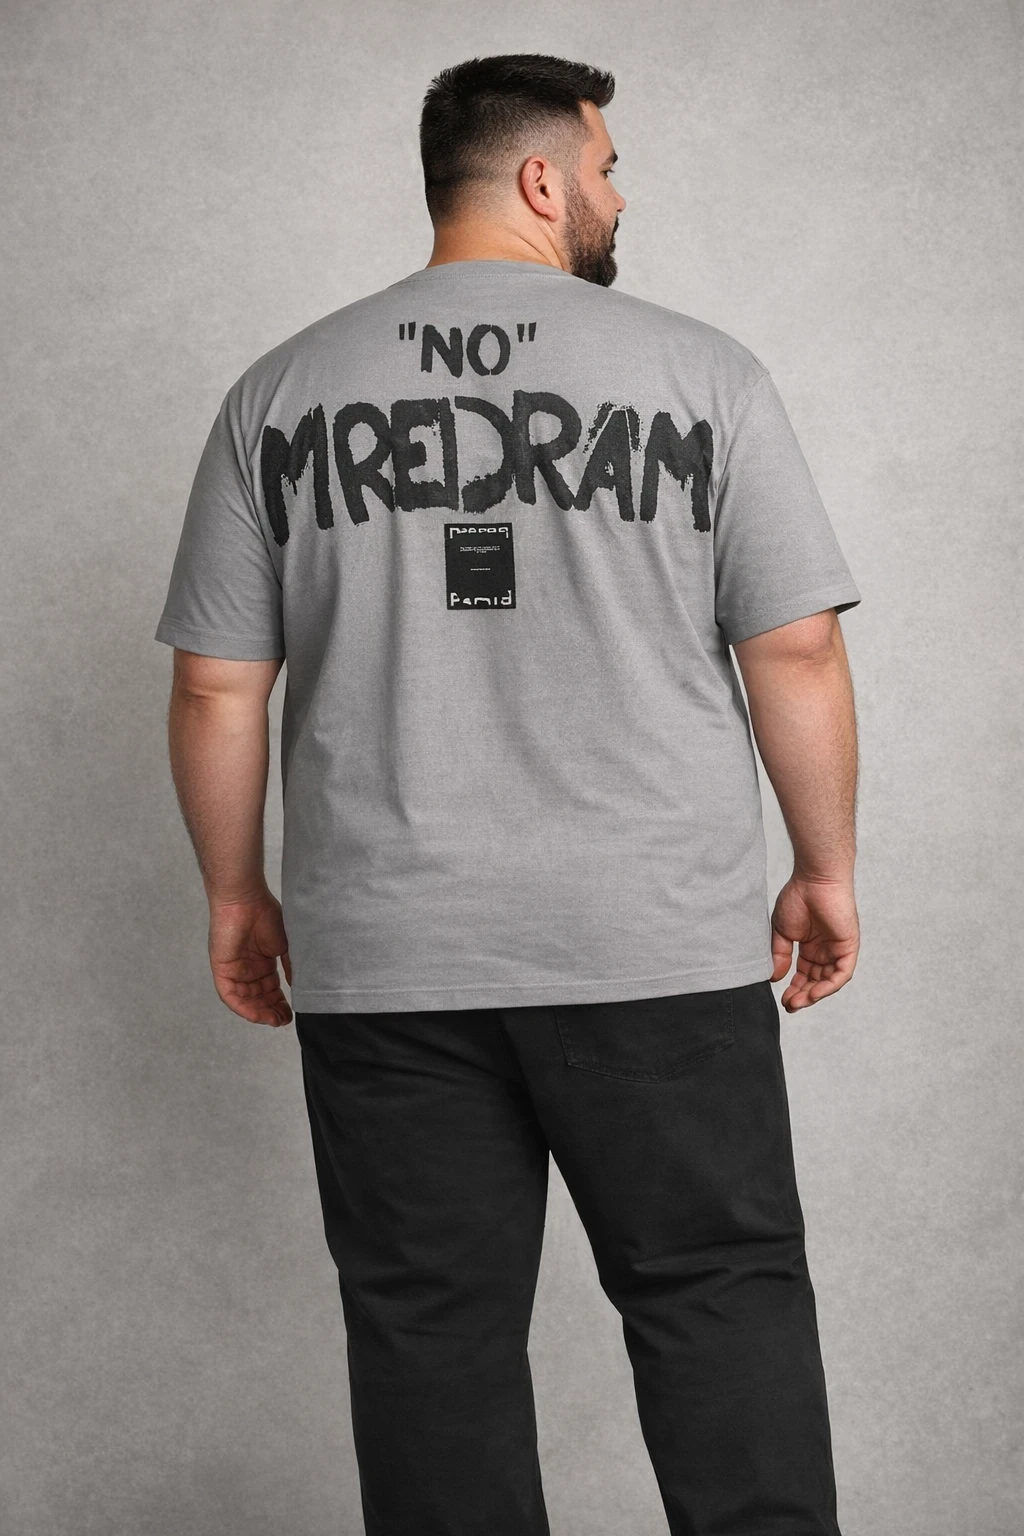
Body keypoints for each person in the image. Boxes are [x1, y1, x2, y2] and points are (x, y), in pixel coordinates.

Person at [155, 51, 861, 1536]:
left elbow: (218, 685)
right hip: (652, 944)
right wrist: (825, 867)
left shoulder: (282, 390)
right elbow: (793, 649)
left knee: (431, 1332)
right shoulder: (702, 375)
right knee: (716, 1296)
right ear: (543, 178)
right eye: (605, 168)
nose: (617, 197)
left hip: (388, 954)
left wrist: (235, 895)